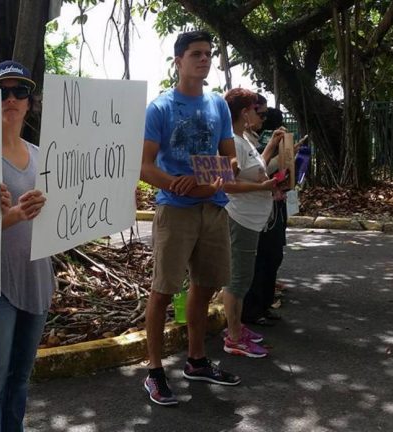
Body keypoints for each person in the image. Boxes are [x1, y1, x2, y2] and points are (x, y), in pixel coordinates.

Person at [139, 30, 240, 406]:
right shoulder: (160, 108)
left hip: (213, 209)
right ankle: (153, 371)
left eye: (208, 54)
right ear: (178, 61)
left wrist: (217, 176)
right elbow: (145, 167)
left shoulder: (218, 105)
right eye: (196, 53)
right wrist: (178, 185)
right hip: (175, 211)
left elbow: (231, 159)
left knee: (205, 286)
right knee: (163, 290)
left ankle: (196, 361)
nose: (204, 59)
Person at [0, 60, 56, 431]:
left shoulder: (41, 157)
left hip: (37, 281)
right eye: (2, 92)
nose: (12, 99)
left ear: (30, 103)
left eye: (20, 92)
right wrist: (14, 215)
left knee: (19, 382)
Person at [220, 88, 281, 358]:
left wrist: (268, 180)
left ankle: (237, 327)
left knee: (243, 278)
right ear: (244, 112)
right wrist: (263, 187)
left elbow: (258, 170)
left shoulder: (243, 139)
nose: (259, 115)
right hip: (240, 218)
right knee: (238, 280)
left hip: (251, 219)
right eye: (256, 110)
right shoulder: (231, 141)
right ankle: (233, 337)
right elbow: (227, 185)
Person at [242, 107, 290, 326]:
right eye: (258, 113)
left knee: (273, 255)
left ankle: (264, 304)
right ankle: (251, 311)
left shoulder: (251, 139)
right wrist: (273, 148)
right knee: (259, 260)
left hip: (273, 205)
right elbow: (256, 170)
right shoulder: (239, 141)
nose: (262, 119)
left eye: (263, 115)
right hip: (253, 210)